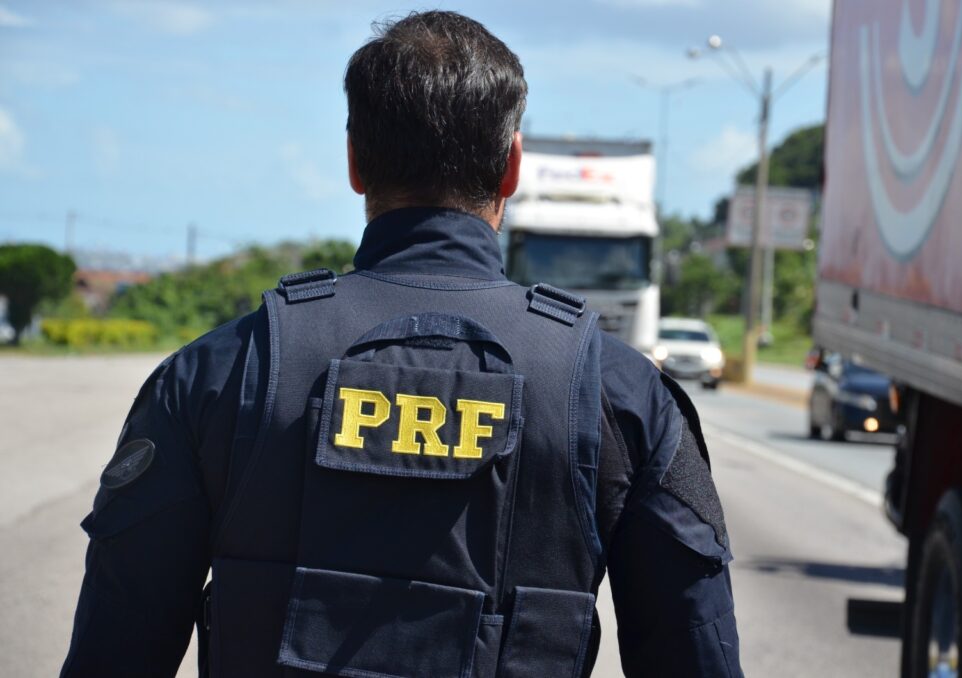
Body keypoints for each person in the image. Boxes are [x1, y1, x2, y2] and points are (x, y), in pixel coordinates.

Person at [61, 11, 741, 678]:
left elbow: (113, 651)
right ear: (512, 166)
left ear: (354, 161)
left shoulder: (216, 372)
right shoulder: (622, 396)